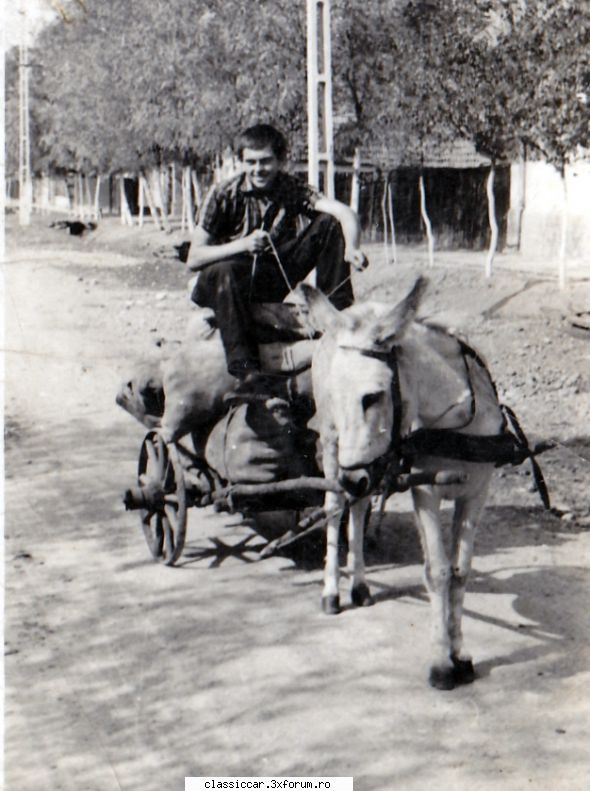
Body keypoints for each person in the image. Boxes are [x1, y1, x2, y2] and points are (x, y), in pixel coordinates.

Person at [187, 123, 367, 394]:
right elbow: (194, 258)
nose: (258, 170)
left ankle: (338, 312)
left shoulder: (289, 187)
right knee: (226, 269)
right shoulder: (225, 194)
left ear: (280, 161)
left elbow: (343, 213)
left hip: (267, 276)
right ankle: (245, 370)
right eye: (250, 162)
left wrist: (352, 247)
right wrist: (242, 245)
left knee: (329, 223)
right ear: (240, 162)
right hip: (222, 283)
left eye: (266, 162)